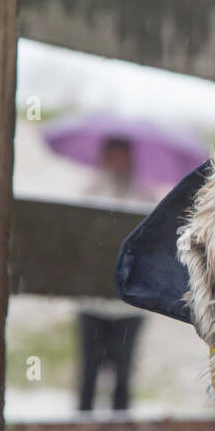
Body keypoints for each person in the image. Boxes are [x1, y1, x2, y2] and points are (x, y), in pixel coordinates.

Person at [77, 137, 146, 412]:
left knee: (124, 375)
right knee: (88, 371)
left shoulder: (143, 195)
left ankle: (120, 426)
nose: (118, 163)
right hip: (91, 303)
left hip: (128, 307)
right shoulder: (90, 192)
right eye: (113, 156)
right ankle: (82, 426)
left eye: (123, 156)